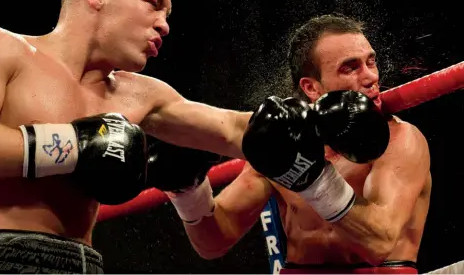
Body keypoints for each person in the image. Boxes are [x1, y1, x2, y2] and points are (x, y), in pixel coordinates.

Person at [0, 0, 254, 274]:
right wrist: (77, 145)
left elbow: (234, 129)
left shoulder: (140, 95)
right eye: (154, 3)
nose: (164, 26)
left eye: (168, 15)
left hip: (86, 263)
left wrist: (308, 120)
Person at [166, 14, 432, 274]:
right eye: (350, 67)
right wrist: (189, 193)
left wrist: (311, 177)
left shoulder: (399, 139)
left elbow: (379, 243)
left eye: (370, 62)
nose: (371, 77)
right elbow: (214, 244)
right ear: (311, 88)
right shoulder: (285, 142)